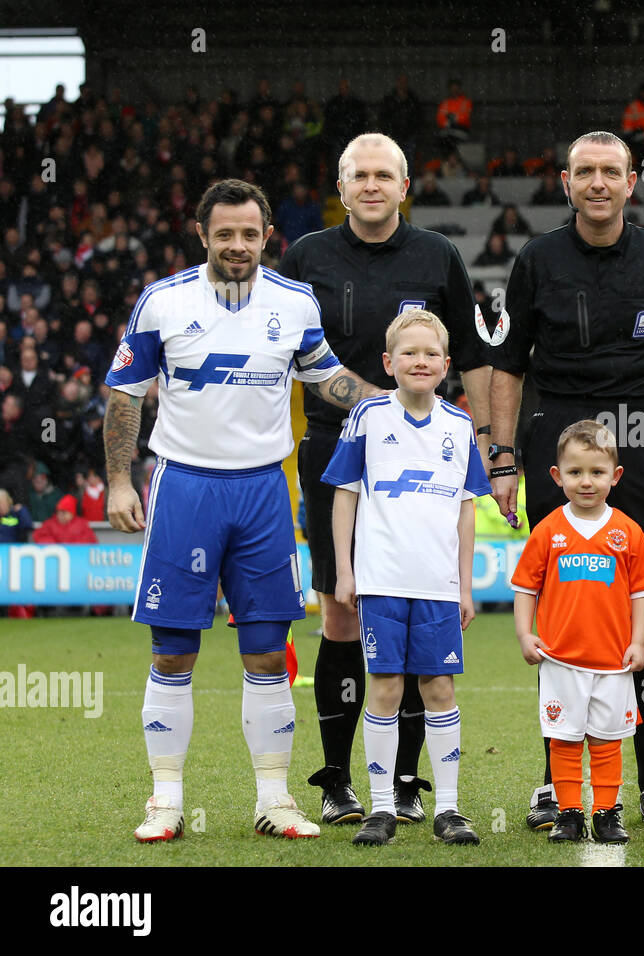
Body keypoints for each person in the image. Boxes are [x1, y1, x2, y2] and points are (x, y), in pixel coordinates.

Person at [105, 178, 384, 843]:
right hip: (185, 488)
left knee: (266, 650)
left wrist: (393, 405)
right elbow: (124, 395)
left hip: (263, 491)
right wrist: (119, 481)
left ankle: (274, 798)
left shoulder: (294, 303)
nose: (237, 245)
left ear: (267, 237)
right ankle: (165, 800)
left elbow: (328, 377)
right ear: (202, 234)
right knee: (173, 651)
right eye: (223, 233)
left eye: (248, 233)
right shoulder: (163, 302)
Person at [489, 130, 644, 830]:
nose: (597, 182)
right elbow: (507, 369)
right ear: (565, 181)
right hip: (554, 437)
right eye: (584, 171)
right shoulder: (535, 259)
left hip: (643, 442)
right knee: (562, 616)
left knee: (636, 613)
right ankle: (556, 785)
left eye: (609, 172)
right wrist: (502, 458)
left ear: (629, 182)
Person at [278, 133, 489, 827]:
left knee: (419, 617)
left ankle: (403, 781)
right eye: (357, 175)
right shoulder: (306, 257)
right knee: (342, 611)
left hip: (423, 459)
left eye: (384, 175)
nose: (371, 185)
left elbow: (476, 358)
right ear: (341, 189)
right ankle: (339, 779)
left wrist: (493, 444)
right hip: (334, 450)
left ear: (405, 187)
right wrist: (372, 403)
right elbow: (283, 352)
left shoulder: (439, 257)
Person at [324, 310, 490, 847]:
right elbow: (344, 493)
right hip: (382, 581)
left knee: (439, 688)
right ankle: (380, 809)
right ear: (388, 362)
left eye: (430, 353)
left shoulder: (459, 424)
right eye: (409, 352)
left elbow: (466, 510)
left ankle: (447, 808)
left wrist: (464, 586)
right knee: (386, 688)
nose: (420, 361)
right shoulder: (369, 416)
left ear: (446, 364)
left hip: (439, 586)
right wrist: (346, 571)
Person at [510, 420, 644, 844]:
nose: (586, 482)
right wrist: (525, 634)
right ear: (557, 476)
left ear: (616, 475)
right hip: (559, 659)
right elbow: (526, 589)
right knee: (564, 739)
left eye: (596, 472)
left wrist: (636, 641)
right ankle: (569, 812)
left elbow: (642, 595)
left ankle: (607, 812)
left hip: (613, 661)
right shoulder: (548, 531)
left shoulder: (627, 531)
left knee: (608, 741)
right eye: (575, 473)